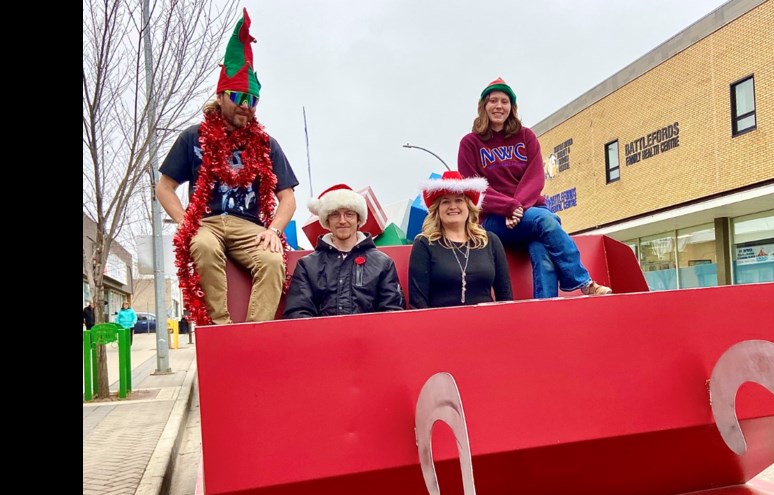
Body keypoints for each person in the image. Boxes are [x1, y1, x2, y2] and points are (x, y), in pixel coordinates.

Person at [156, 9, 298, 326]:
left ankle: (252, 337)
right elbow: (165, 187)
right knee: (203, 246)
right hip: (205, 221)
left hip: (248, 225)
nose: (245, 105)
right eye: (237, 96)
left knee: (274, 261)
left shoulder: (267, 144)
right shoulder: (193, 137)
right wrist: (184, 220)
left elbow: (287, 197)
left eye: (252, 99)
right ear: (221, 96)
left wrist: (274, 230)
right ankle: (221, 330)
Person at [458, 77, 612, 299]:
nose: (499, 106)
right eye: (493, 101)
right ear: (483, 106)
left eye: (504, 101)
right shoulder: (470, 143)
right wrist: (508, 207)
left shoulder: (526, 136)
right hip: (494, 220)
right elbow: (473, 188)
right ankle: (583, 281)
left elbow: (535, 178)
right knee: (548, 220)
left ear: (512, 107)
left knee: (542, 248)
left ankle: (545, 308)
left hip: (526, 211)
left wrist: (517, 208)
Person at [283, 184, 405, 318]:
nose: (342, 221)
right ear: (327, 220)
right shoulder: (307, 265)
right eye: (335, 215)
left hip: (371, 338)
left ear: (359, 219)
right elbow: (298, 312)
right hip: (322, 338)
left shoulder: (383, 263)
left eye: (349, 214)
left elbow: (392, 311)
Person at [408, 171, 513, 309]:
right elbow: (418, 303)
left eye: (459, 200)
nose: (453, 206)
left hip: (487, 325)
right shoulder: (424, 244)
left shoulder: (490, 241)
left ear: (469, 206)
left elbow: (505, 296)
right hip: (441, 326)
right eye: (445, 202)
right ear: (437, 209)